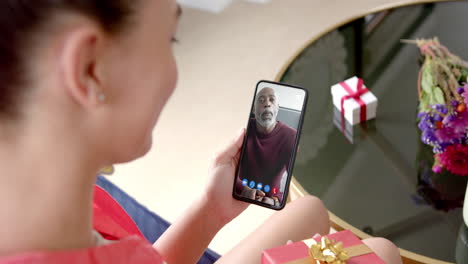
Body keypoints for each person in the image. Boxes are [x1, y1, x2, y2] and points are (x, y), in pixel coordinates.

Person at [0, 0, 403, 264]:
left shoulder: (55, 201)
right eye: (169, 38)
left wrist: (210, 212)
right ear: (91, 68)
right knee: (382, 253)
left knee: (309, 209)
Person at [236, 87, 297, 207]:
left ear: (277, 107)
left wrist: (274, 201)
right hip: (239, 196)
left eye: (272, 100)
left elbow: (294, 182)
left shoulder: (291, 136)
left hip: (270, 203)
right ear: (254, 109)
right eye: (261, 100)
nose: (267, 104)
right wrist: (243, 189)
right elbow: (231, 167)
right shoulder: (244, 130)